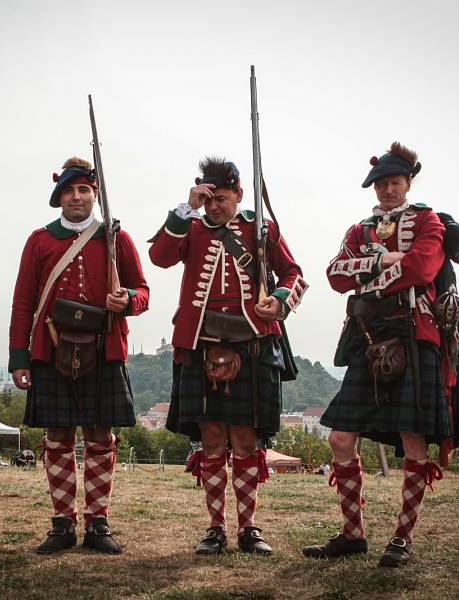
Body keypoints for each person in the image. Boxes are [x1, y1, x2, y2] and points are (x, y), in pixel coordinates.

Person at [302, 142, 451, 567]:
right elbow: (334, 274)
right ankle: (352, 534)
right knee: (340, 437)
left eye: (394, 182)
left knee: (412, 441)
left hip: (412, 334)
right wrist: (383, 261)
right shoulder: (360, 229)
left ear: (408, 183)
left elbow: (423, 269)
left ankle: (402, 539)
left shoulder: (428, 220)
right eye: (382, 184)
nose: (387, 190)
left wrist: (372, 271)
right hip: (368, 338)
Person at [149, 157, 306, 555]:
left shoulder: (260, 230)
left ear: (238, 193)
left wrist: (281, 300)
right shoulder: (191, 226)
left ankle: (248, 527)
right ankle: (215, 526)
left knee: (246, 438)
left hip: (251, 343)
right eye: (207, 199)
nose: (213, 206)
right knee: (213, 437)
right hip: (202, 343)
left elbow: (294, 274)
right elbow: (161, 256)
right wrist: (185, 209)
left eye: (220, 198)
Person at [9, 157, 149, 555]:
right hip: (51, 350)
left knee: (101, 437)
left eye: (84, 190)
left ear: (95, 194)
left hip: (103, 349)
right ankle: (62, 524)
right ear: (59, 198)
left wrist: (127, 301)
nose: (76, 197)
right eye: (69, 191)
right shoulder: (40, 240)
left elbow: (142, 291)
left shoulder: (115, 238)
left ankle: (98, 523)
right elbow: (23, 303)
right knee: (57, 437)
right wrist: (19, 357)